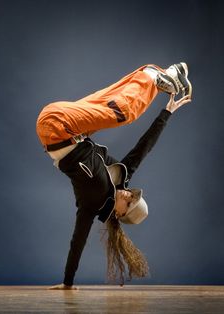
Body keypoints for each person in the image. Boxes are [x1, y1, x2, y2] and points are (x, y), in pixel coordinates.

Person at [36, 62, 192, 289]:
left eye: (129, 202)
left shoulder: (91, 204)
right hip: (73, 129)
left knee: (123, 112)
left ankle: (153, 77)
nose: (129, 193)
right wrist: (166, 113)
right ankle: (159, 77)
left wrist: (68, 283)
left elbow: (77, 241)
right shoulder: (123, 177)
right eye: (133, 195)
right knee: (110, 99)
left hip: (55, 128)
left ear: (118, 214)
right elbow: (143, 148)